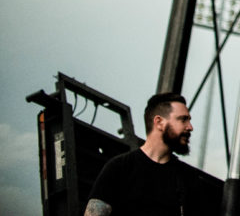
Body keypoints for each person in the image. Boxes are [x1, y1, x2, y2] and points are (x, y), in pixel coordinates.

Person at [84, 92, 213, 215]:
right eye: (183, 120)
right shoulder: (119, 168)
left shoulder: (188, 179)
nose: (190, 127)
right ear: (159, 122)